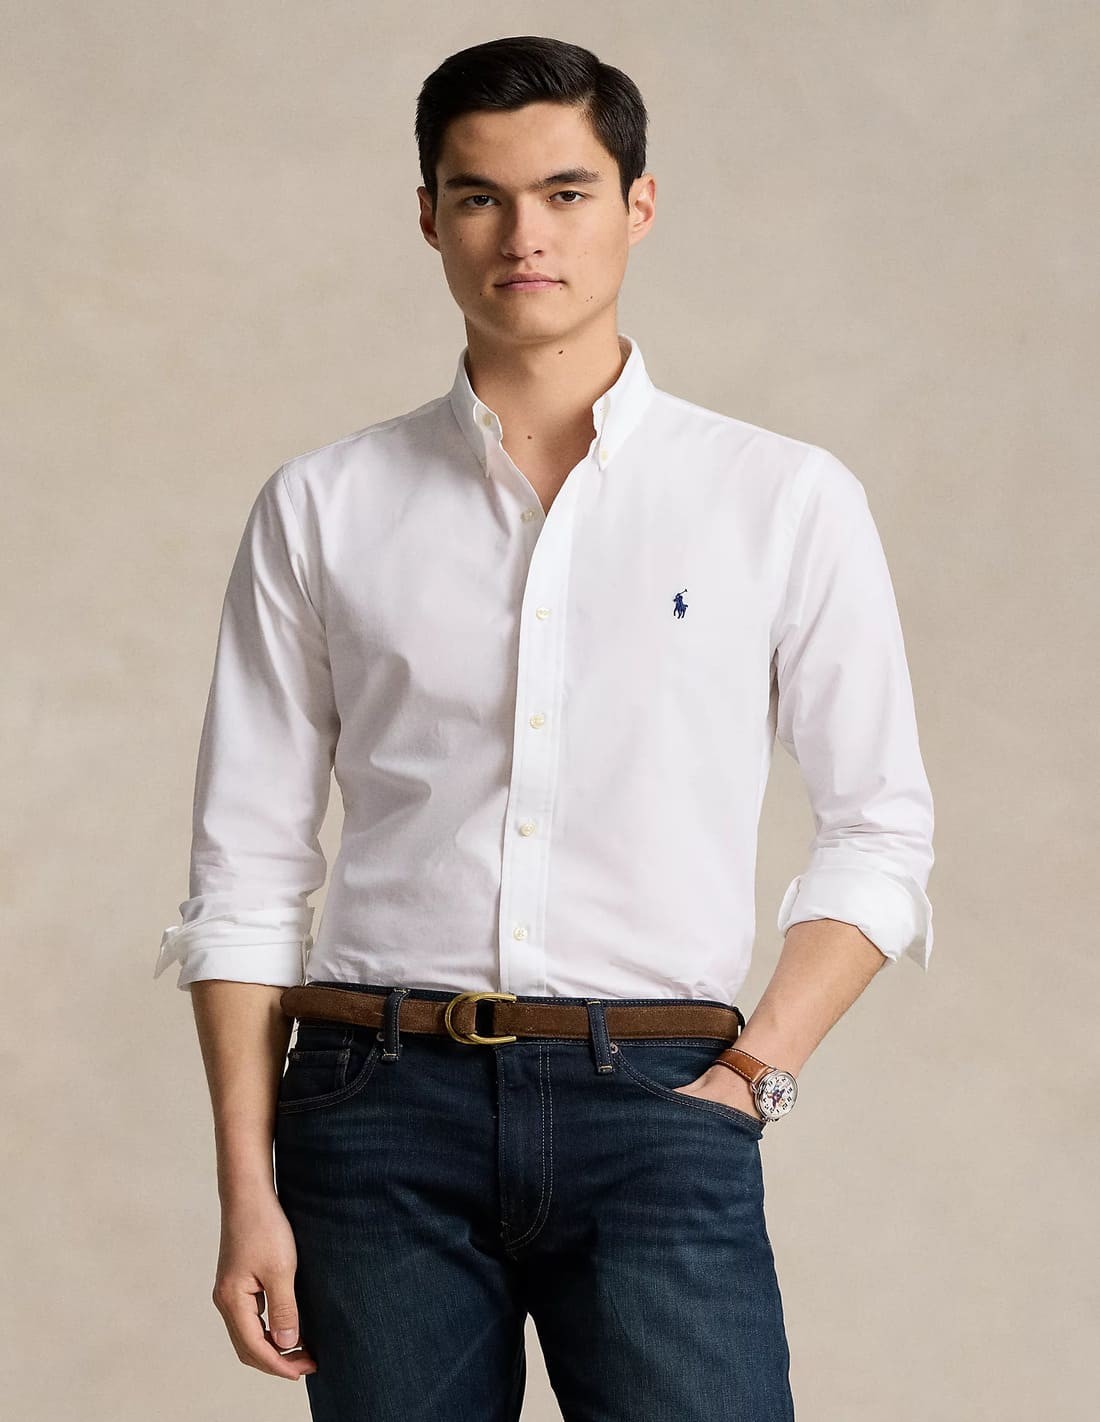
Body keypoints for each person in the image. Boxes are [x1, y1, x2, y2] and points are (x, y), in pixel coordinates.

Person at [155, 34, 935, 1422]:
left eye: (567, 193)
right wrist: (246, 1187)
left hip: (662, 1101)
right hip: (375, 1107)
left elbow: (880, 828)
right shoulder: (324, 505)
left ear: (639, 204)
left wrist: (752, 1076)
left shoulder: (780, 499)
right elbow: (246, 872)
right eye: (481, 196)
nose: (525, 235)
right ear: (429, 216)